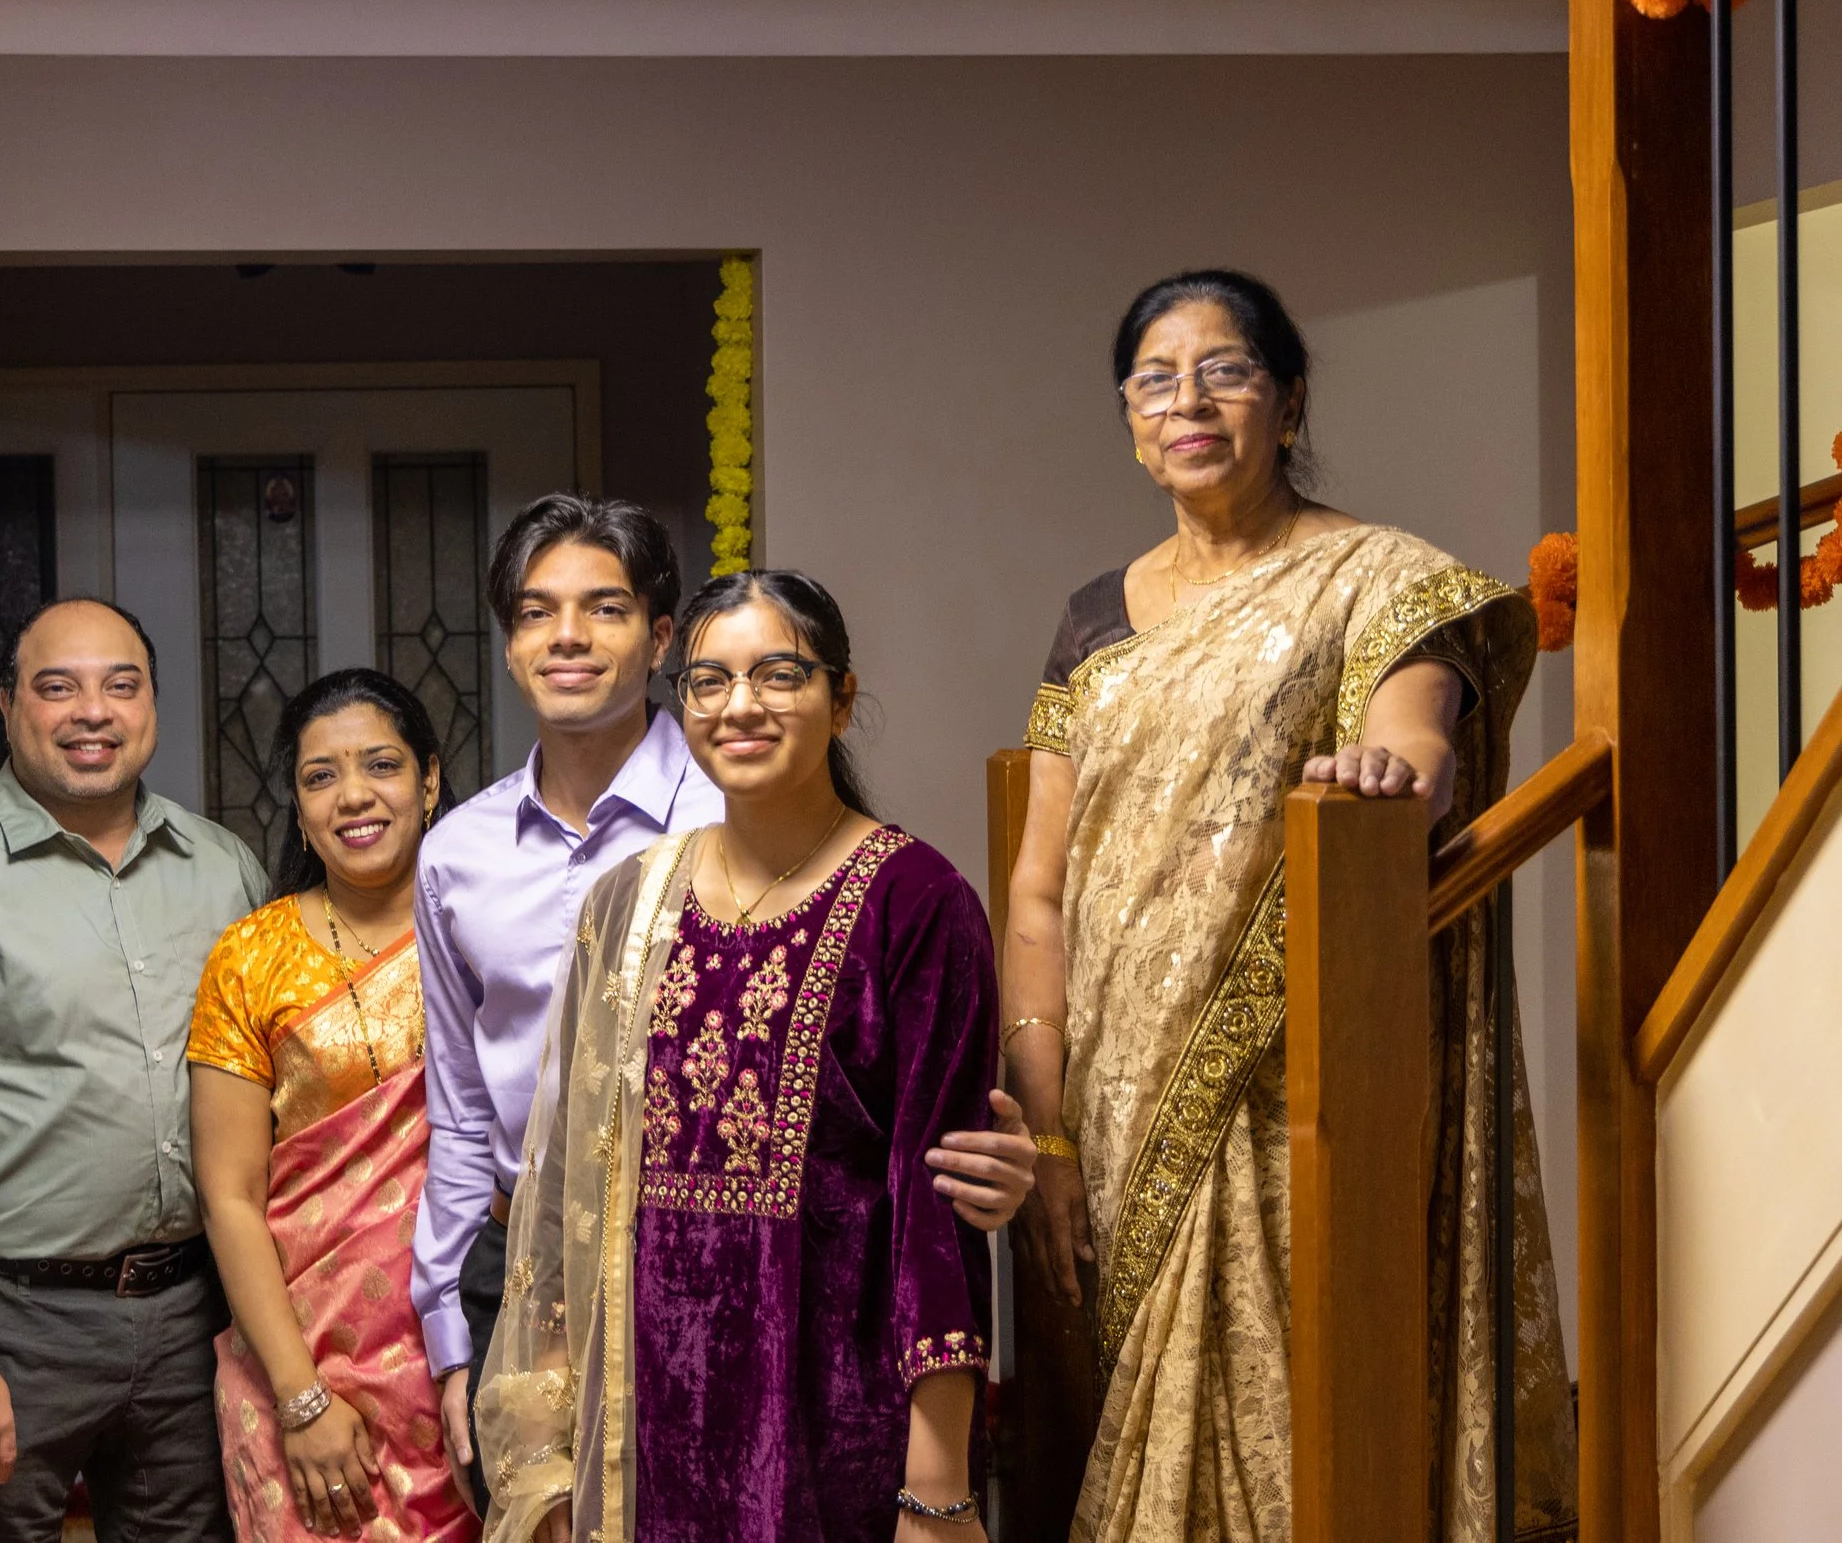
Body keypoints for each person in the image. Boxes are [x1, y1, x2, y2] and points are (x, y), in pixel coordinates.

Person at [1004, 269, 1576, 1543]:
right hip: (1108, 1082)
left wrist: (1389, 771)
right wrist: (1046, 1139)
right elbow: (1038, 890)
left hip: (1286, 1072)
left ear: (1288, 396)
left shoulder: (1378, 576)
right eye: (1154, 377)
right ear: (1129, 415)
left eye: (1226, 369)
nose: (1188, 399)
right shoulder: (1093, 617)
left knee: (1292, 1394)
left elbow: (1414, 736)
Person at [409, 495, 1037, 1513]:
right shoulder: (629, 898)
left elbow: (938, 1216)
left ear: (841, 698)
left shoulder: (916, 900)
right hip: (640, 1408)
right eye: (711, 681)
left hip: (837, 1411)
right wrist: (550, 1436)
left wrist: (938, 1489)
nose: (738, 704)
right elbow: (563, 1167)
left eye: (777, 674)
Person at [0, 598, 267, 1543]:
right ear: (8, 706)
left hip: (195, 1318)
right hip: (7, 1327)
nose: (92, 711)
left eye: (121, 683)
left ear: (154, 703)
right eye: (57, 686)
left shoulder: (223, 869)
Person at [189, 670, 478, 1543]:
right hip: (300, 1366)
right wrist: (301, 1397)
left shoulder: (489, 925)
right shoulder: (250, 957)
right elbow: (229, 1195)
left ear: (428, 780)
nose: (354, 795)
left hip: (473, 1356)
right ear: (299, 804)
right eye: (320, 775)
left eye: (381, 765)